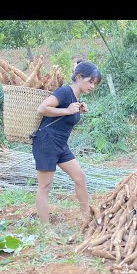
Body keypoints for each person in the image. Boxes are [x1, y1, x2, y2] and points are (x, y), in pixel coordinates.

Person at [32, 60, 101, 225]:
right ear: (79, 77)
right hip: (46, 142)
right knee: (45, 186)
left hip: (61, 145)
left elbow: (64, 115)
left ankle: (86, 219)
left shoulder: (75, 97)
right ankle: (45, 229)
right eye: (90, 81)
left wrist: (77, 111)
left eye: (95, 83)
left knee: (80, 178)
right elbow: (42, 109)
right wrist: (68, 110)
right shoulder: (64, 92)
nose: (92, 86)